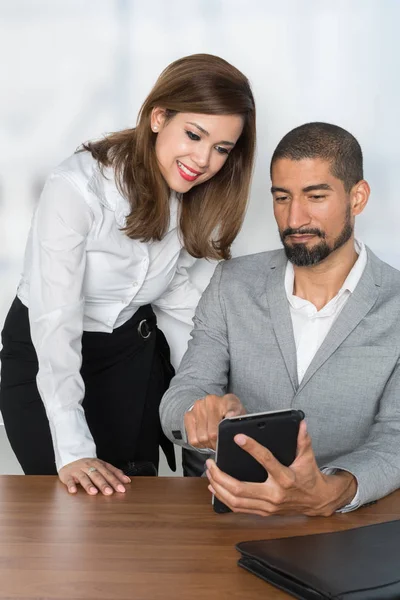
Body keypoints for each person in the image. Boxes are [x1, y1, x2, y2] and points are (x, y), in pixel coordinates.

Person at [0, 53, 256, 496]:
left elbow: (170, 289)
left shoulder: (187, 193)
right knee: (70, 504)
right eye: (194, 135)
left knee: (133, 510)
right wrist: (74, 446)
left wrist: (243, 341)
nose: (202, 160)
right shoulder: (76, 189)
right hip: (46, 351)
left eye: (221, 149)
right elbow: (54, 321)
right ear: (159, 117)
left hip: (128, 357)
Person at [160, 122, 400, 516]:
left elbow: (396, 435)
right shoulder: (231, 283)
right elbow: (181, 395)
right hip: (229, 518)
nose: (294, 219)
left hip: (345, 525)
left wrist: (335, 490)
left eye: (316, 196)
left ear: (357, 198)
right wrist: (198, 415)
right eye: (282, 197)